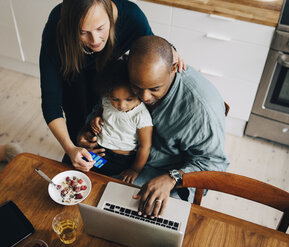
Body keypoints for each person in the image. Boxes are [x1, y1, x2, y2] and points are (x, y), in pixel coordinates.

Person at [78, 35, 229, 218]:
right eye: (137, 87)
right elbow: (105, 104)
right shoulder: (131, 68)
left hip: (167, 174)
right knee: (84, 200)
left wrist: (172, 178)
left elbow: (214, 165)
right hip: (121, 156)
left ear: (173, 69)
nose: (144, 97)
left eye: (155, 89)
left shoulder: (201, 111)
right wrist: (88, 129)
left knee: (135, 219)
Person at [39, 0, 185, 171]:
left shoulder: (131, 16)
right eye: (83, 32)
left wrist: (170, 50)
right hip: (73, 79)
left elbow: (149, 50)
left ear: (110, 14)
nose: (94, 40)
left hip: (109, 79)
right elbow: (51, 103)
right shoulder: (57, 25)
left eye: (100, 28)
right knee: (79, 127)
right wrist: (71, 147)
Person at [89, 59, 153, 183]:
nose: (121, 106)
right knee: (84, 168)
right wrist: (97, 118)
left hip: (120, 159)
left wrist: (135, 169)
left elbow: (145, 146)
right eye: (115, 99)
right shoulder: (107, 101)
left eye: (129, 99)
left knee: (104, 181)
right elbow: (103, 112)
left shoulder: (141, 115)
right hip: (100, 149)